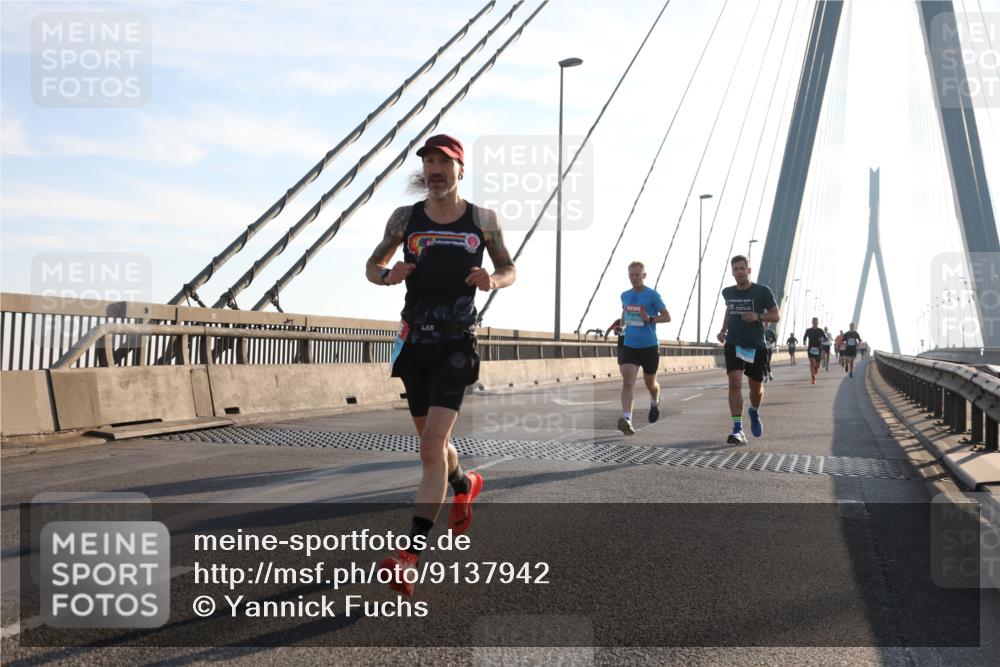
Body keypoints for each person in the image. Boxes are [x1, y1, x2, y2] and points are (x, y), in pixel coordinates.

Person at [365, 134, 515, 596]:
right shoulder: (404, 218)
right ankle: (464, 483)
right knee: (436, 447)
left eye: (443, 163)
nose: (435, 170)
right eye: (429, 162)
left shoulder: (483, 220)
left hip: (455, 343)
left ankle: (409, 557)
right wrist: (387, 276)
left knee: (430, 447)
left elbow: (509, 268)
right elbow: (372, 265)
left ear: (459, 170)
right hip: (415, 343)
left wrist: (493, 279)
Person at [716, 255, 780, 445]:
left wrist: (757, 316)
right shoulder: (728, 292)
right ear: (732, 272)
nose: (739, 272)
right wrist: (723, 330)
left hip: (755, 345)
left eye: (742, 268)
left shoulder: (763, 291)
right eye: (735, 269)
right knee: (734, 383)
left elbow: (775, 315)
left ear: (749, 270)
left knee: (756, 389)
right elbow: (729, 310)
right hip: (733, 343)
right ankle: (737, 429)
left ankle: (754, 411)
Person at [616, 261, 671, 435]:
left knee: (650, 383)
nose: (634, 278)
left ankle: (655, 400)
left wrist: (650, 319)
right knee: (628, 382)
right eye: (631, 275)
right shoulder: (625, 295)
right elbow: (625, 314)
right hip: (630, 345)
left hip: (649, 346)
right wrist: (621, 328)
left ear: (644, 275)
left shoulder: (652, 295)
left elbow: (667, 317)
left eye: (637, 275)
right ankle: (627, 420)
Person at [803, 317, 825, 385]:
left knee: (817, 364)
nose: (815, 322)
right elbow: (804, 337)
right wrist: (804, 342)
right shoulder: (808, 330)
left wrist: (824, 341)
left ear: (818, 322)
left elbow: (825, 338)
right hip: (811, 348)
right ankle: (813, 378)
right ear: (812, 322)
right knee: (812, 362)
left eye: (816, 321)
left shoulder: (820, 330)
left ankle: (816, 367)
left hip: (818, 348)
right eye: (814, 321)